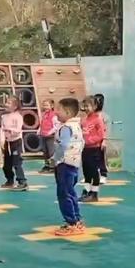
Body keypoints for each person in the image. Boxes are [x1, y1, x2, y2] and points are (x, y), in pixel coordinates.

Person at [53, 97, 85, 236]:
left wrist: (55, 158)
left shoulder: (66, 127)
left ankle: (71, 223)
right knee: (71, 192)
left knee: (64, 193)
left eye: (58, 109)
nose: (56, 112)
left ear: (67, 112)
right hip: (74, 163)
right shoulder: (77, 126)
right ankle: (77, 220)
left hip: (64, 164)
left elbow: (63, 145)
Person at [80, 96, 106, 202]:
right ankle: (86, 191)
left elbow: (100, 135)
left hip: (94, 149)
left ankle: (94, 193)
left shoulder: (98, 119)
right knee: (86, 171)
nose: (86, 108)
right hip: (85, 149)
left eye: (88, 106)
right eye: (84, 106)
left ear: (94, 106)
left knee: (93, 171)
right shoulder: (84, 119)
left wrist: (89, 141)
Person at [0, 95, 28, 191]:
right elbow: (2, 130)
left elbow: (18, 129)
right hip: (8, 143)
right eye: (6, 102)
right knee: (6, 164)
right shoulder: (4, 116)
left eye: (8, 103)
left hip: (16, 142)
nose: (6, 104)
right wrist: (2, 140)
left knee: (17, 163)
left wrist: (10, 130)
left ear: (15, 106)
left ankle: (22, 182)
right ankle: (9, 180)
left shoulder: (18, 117)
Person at [39, 99, 59, 174]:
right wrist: (39, 131)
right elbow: (42, 123)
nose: (45, 107)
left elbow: (56, 126)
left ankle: (53, 166)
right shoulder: (44, 114)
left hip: (50, 137)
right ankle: (46, 165)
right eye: (44, 105)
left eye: (47, 105)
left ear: (52, 106)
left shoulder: (54, 115)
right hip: (43, 135)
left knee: (51, 152)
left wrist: (49, 132)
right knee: (45, 152)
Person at [94, 93, 108, 184]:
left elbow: (106, 129)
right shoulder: (91, 116)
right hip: (91, 142)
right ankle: (92, 176)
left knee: (101, 158)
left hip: (100, 142)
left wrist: (104, 140)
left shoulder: (103, 116)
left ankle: (103, 175)